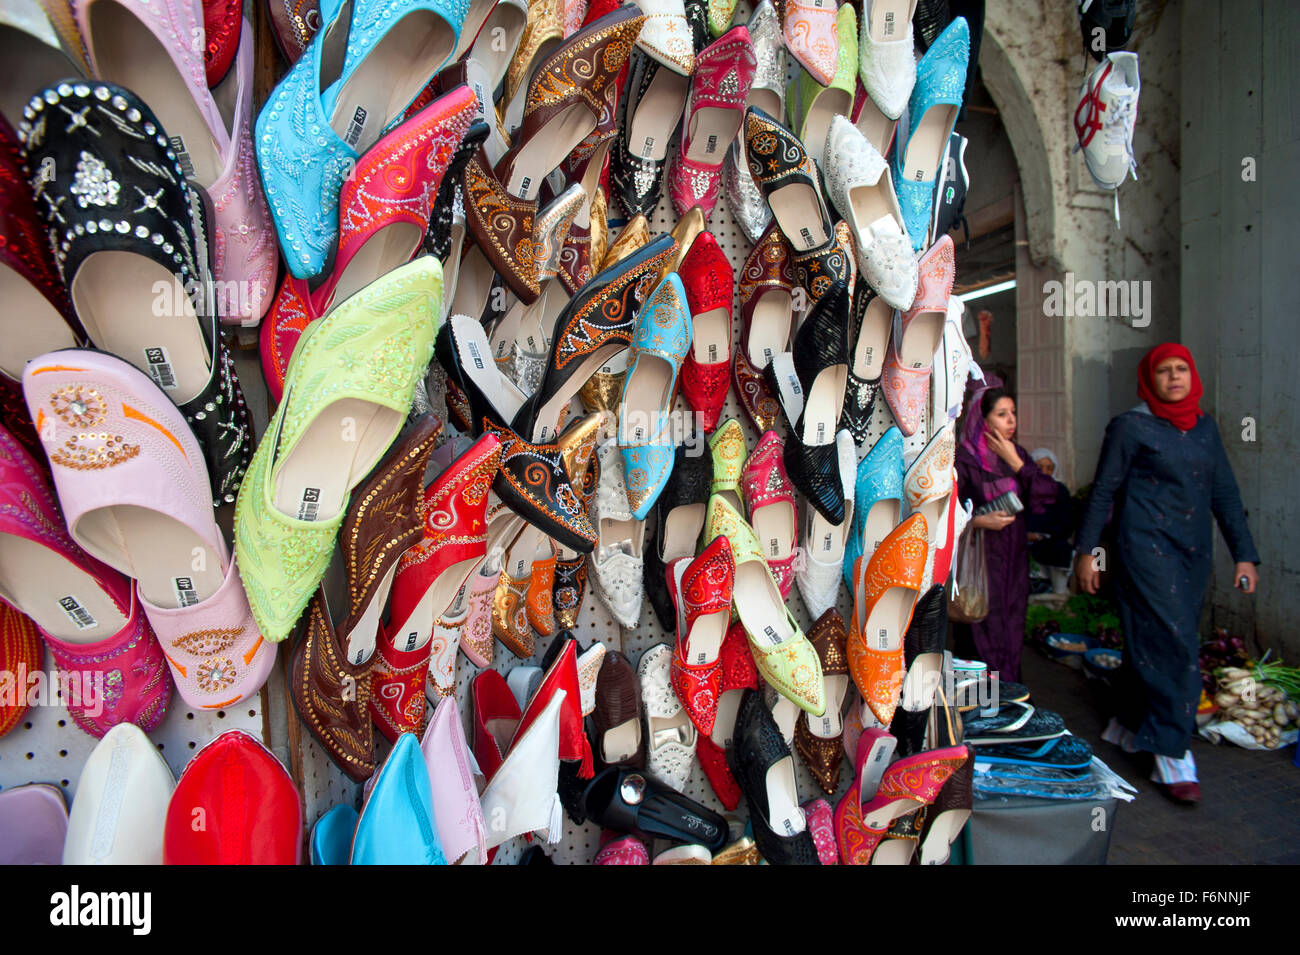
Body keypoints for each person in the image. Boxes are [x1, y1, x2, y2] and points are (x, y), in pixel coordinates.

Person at [1074, 343, 1259, 806]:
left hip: (1192, 555)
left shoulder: (1205, 429)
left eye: (1181, 369)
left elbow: (1226, 495)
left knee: (1155, 638)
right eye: (1164, 370)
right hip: (1144, 551)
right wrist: (1088, 554)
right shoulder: (1130, 427)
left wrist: (1244, 555)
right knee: (1175, 645)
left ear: (1192, 376)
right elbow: (1103, 494)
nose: (1174, 377)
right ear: (1149, 378)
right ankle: (1173, 755)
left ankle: (1130, 725)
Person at [953, 380, 1058, 682]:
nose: (1011, 420)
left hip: (1013, 569)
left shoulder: (1018, 455)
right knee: (977, 642)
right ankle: (979, 715)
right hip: (981, 567)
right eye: (1001, 414)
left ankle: (1009, 708)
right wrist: (977, 522)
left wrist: (1017, 462)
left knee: (1010, 638)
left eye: (1013, 412)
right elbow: (943, 512)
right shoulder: (964, 459)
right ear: (981, 419)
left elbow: (1049, 497)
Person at [1026, 447, 1076, 590]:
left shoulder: (1059, 490)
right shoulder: (1023, 488)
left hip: (1051, 538)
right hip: (1025, 538)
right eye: (1039, 467)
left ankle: (1058, 594)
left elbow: (1066, 521)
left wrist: (1045, 535)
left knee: (1060, 549)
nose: (1044, 472)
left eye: (1049, 468)